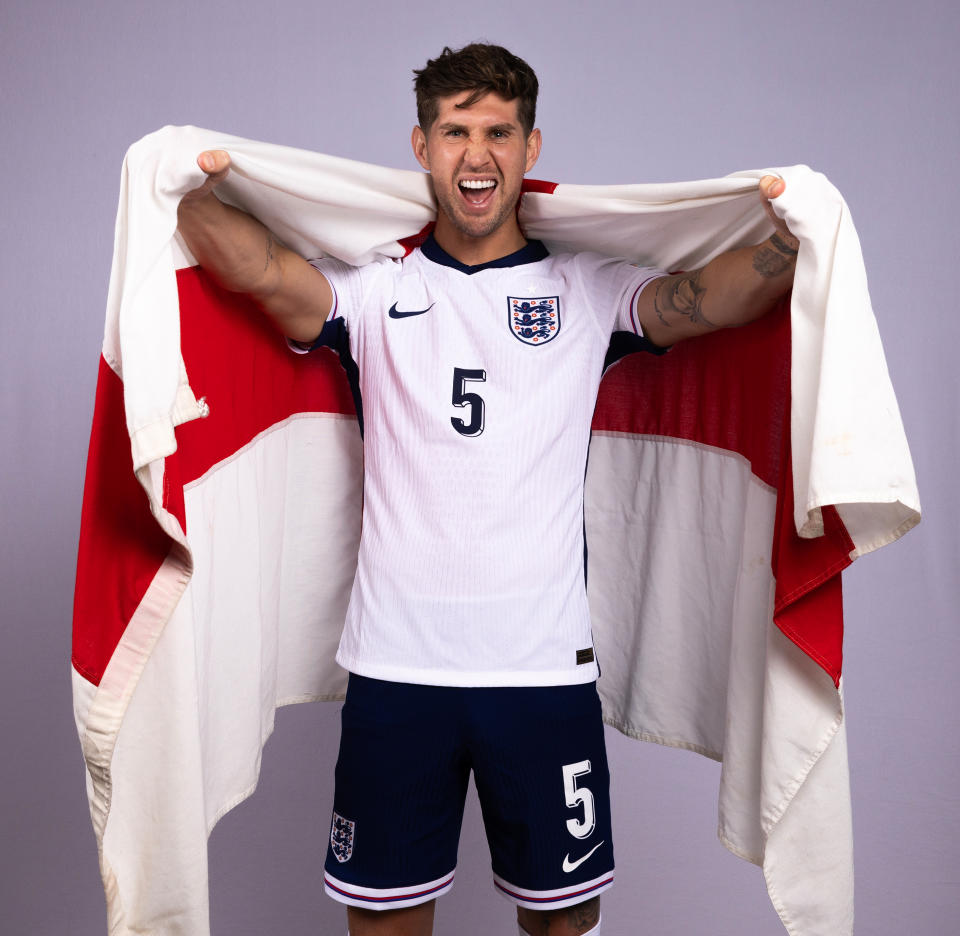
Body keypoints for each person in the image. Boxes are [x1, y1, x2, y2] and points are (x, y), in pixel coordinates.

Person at [176, 43, 799, 936]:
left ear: (532, 147)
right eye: (456, 131)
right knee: (385, 921)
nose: (478, 155)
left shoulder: (583, 292)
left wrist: (788, 240)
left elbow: (704, 300)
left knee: (562, 919)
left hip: (540, 668)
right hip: (398, 667)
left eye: (499, 132)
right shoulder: (375, 291)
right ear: (422, 146)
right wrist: (177, 184)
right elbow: (263, 273)